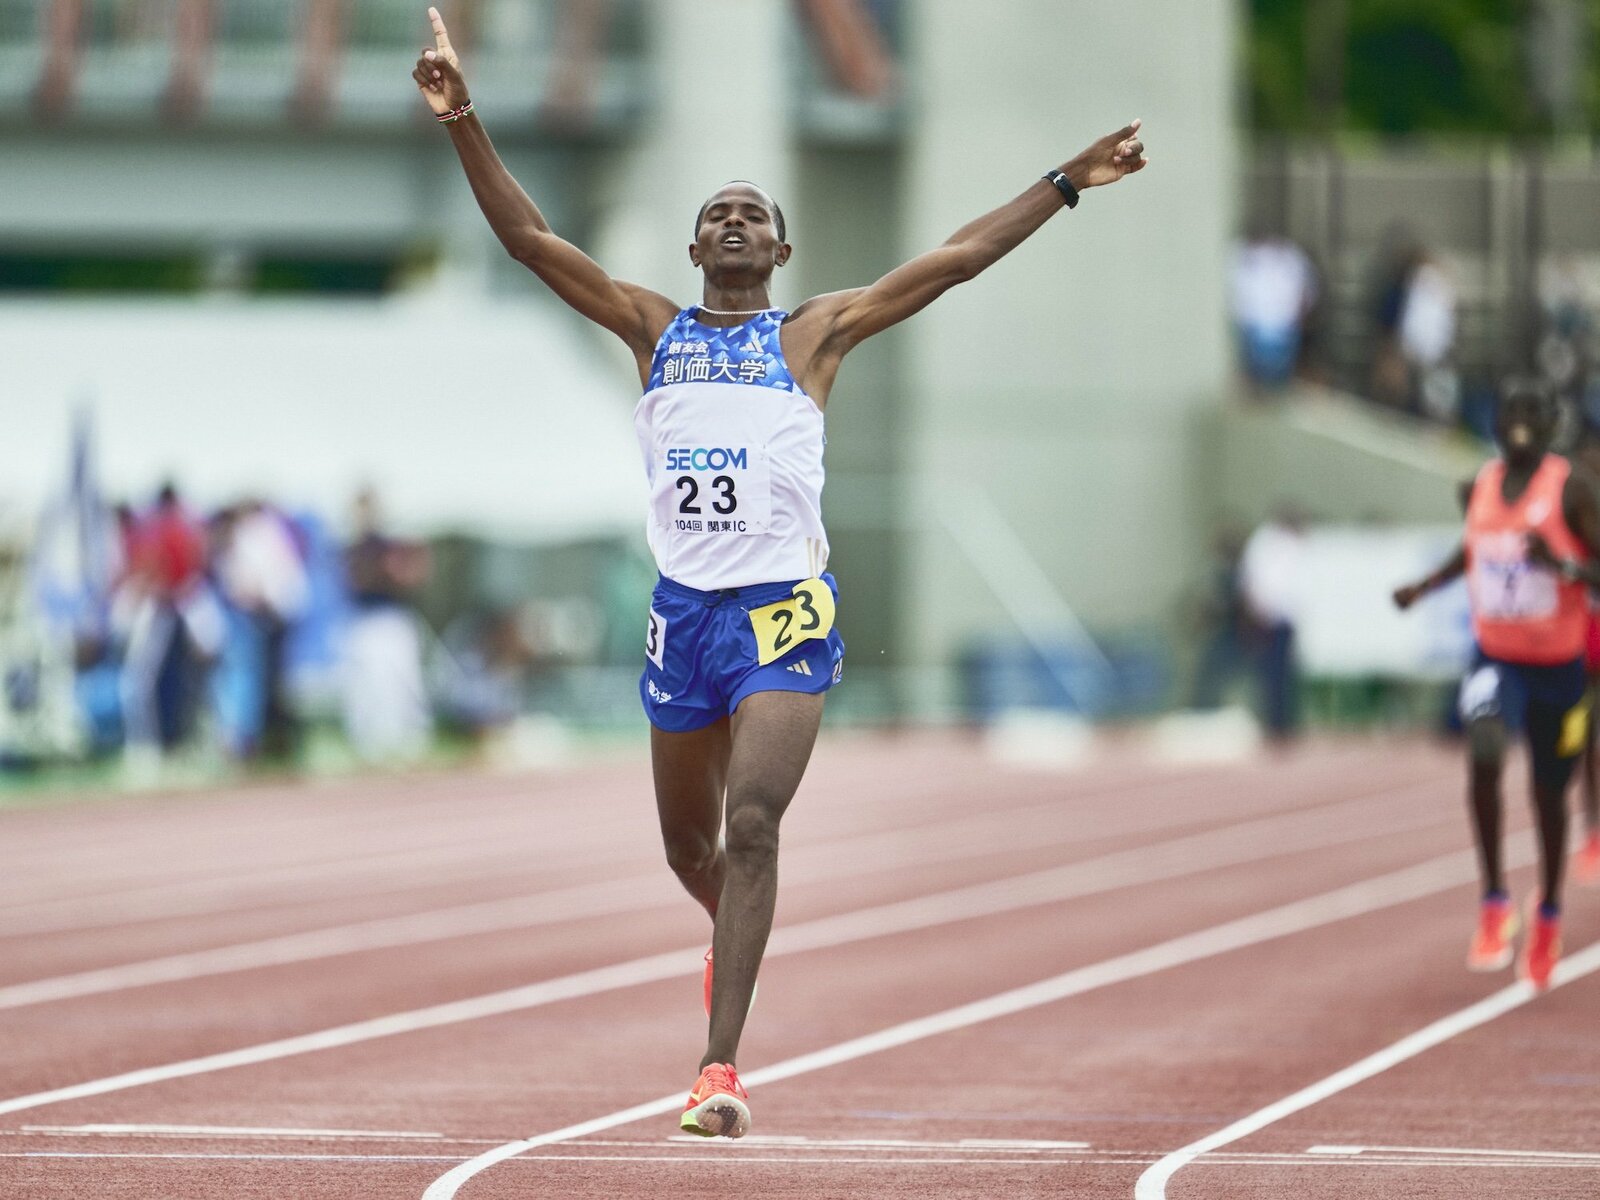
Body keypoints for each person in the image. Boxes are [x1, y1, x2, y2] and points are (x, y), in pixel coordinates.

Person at [414, 5, 1147, 1139]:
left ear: (782, 250)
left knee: (753, 828)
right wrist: (463, 117)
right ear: (697, 249)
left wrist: (1065, 181)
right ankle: (736, 933)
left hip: (781, 612)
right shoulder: (651, 328)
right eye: (717, 214)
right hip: (680, 616)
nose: (734, 220)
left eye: (754, 212)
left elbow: (952, 260)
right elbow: (529, 241)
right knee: (688, 849)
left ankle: (719, 1070)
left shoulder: (814, 334)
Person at [1393, 382, 1600, 990]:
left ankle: (1549, 911)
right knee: (1482, 752)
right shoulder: (1477, 485)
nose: (1518, 426)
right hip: (1495, 655)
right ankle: (1494, 902)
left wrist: (1560, 567)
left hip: (1559, 668)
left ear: (1551, 423)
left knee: (1548, 796)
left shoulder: (1574, 489)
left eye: (1531, 414)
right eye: (1509, 413)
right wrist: (1424, 587)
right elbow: (1473, 551)